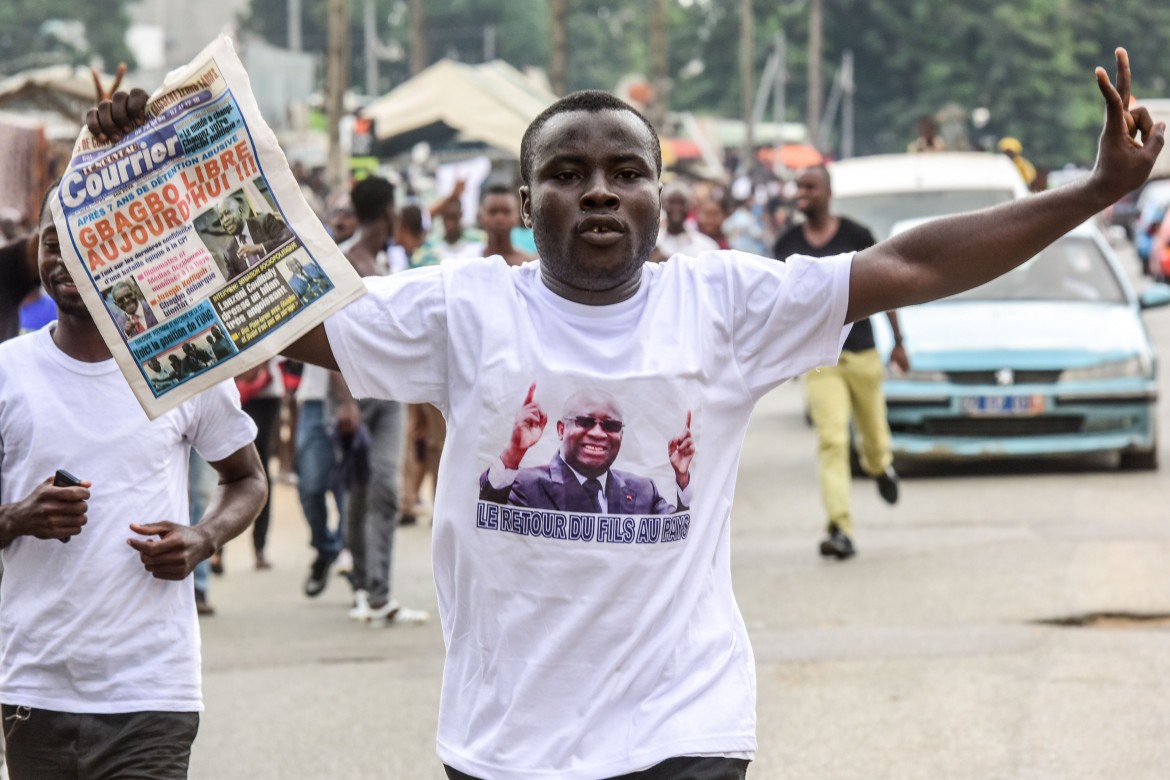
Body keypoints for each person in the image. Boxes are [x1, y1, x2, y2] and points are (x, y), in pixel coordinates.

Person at [98, 48, 1161, 780]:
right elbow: (274, 313)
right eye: (565, 174)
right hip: (505, 741)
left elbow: (909, 262)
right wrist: (132, 168)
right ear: (523, 204)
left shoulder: (728, 303)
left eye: (625, 172)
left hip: (682, 730)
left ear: (661, 197)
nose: (598, 192)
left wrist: (1090, 192)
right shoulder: (463, 310)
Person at [0, 184, 267, 779]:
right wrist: (19, 517)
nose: (66, 259)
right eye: (53, 242)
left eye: (86, 242)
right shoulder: (8, 374)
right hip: (36, 691)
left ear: (124, 252)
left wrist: (204, 539)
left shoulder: (184, 357)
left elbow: (247, 478)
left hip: (152, 691)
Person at [774, 164, 909, 560]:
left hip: (863, 354)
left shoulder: (857, 236)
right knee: (832, 441)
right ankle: (840, 529)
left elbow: (885, 288)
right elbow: (781, 303)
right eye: (798, 186)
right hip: (820, 360)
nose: (802, 193)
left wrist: (899, 342)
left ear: (828, 193)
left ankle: (880, 466)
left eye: (810, 186)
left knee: (873, 437)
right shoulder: (786, 244)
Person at [334, 175, 427, 626]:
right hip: (355, 397)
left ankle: (380, 593)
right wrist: (344, 405)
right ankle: (362, 588)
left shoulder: (386, 260)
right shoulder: (345, 261)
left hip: (388, 396)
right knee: (357, 492)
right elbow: (330, 341)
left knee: (385, 489)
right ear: (390, 213)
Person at [479, 386, 692, 514]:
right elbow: (487, 516)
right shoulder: (523, 484)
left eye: (611, 426)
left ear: (621, 435)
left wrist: (682, 477)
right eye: (585, 422)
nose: (598, 433)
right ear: (561, 429)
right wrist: (514, 452)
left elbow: (677, 543)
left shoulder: (644, 492)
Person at [216, 194, 295, 277]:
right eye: (221, 218)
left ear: (240, 210)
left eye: (227, 213)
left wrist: (260, 248)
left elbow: (288, 237)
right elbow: (233, 283)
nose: (225, 220)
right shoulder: (229, 252)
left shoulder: (265, 221)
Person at [654, 182, 720, 260]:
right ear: (663, 205)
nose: (676, 208)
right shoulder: (654, 244)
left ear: (689, 206)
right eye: (672, 202)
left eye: (681, 203)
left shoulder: (707, 247)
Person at [478, 183, 534, 267]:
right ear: (481, 216)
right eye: (492, 211)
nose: (499, 218)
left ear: (518, 216)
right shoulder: (467, 259)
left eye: (506, 211)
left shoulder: (528, 265)